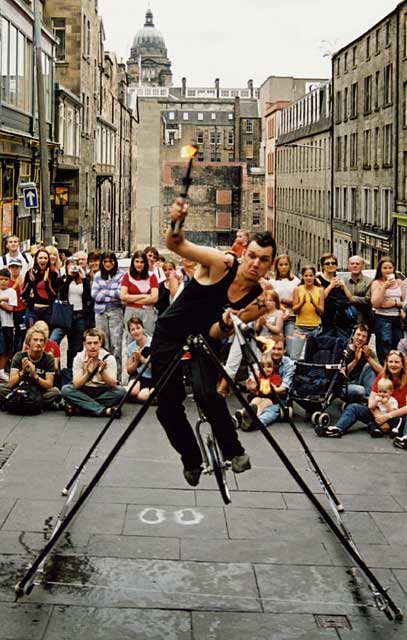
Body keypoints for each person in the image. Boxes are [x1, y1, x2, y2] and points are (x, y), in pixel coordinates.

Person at [151, 197, 276, 487]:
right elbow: (176, 245)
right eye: (253, 256)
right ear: (244, 253)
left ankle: (234, 451)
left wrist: (225, 323)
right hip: (170, 333)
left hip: (204, 339)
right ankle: (191, 459)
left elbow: (219, 333)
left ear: (270, 264)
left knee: (209, 394)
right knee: (167, 406)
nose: (255, 264)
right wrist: (177, 219)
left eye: (264, 260)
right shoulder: (222, 263)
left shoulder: (258, 297)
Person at [315, 350, 407, 439]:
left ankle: (405, 438)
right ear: (387, 363)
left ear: (402, 365)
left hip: (398, 416)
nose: (393, 365)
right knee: (353, 408)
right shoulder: (381, 377)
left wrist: (387, 417)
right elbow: (371, 401)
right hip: (379, 412)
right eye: (391, 362)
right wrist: (379, 417)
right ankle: (337, 429)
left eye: (397, 362)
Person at [61, 328, 126, 417]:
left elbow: (113, 384)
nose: (92, 346)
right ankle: (103, 410)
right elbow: (76, 385)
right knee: (66, 390)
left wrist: (102, 372)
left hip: (103, 390)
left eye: (95, 343)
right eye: (89, 343)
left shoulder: (109, 358)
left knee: (121, 392)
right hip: (85, 389)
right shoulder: (79, 358)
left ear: (100, 343)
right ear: (84, 344)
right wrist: (87, 374)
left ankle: (81, 407)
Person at [234, 336, 295, 430]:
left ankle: (255, 422)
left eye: (279, 349)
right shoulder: (262, 360)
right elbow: (253, 381)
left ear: (284, 350)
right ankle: (238, 418)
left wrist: (268, 388)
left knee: (270, 410)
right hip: (259, 395)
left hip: (275, 398)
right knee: (255, 402)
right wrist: (251, 386)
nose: (276, 352)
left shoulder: (288, 365)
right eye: (273, 348)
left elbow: (284, 388)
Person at [0, 326, 61, 410]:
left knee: (55, 392)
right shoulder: (19, 356)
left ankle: (17, 402)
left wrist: (34, 375)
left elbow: (49, 385)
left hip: (39, 391)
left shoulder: (48, 358)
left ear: (44, 343)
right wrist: (23, 372)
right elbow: (11, 383)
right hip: (20, 388)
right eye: (35, 340)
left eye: (41, 340)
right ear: (29, 342)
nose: (38, 343)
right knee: (1, 388)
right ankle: (33, 404)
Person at [50, 256, 92, 368]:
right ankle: (55, 369)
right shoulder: (63, 279)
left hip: (79, 315)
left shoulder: (84, 279)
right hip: (65, 314)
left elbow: (88, 297)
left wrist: (83, 279)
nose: (73, 267)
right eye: (70, 264)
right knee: (54, 340)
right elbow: (62, 294)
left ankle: (71, 370)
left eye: (75, 264)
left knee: (75, 346)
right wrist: (68, 277)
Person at [91, 251, 124, 381]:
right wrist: (111, 295)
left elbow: (120, 294)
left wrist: (105, 292)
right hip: (100, 313)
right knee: (103, 345)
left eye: (110, 261)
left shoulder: (121, 275)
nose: (108, 264)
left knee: (116, 346)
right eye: (105, 261)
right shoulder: (98, 275)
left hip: (115, 312)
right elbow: (95, 295)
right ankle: (102, 377)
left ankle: (117, 377)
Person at [371, 257, 405, 365]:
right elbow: (376, 303)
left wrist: (394, 303)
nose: (388, 270)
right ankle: (384, 369)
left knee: (398, 345)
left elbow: (404, 303)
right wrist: (384, 287)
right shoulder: (377, 283)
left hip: (397, 318)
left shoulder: (400, 282)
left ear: (394, 268)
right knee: (385, 344)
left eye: (390, 268)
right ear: (380, 269)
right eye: (385, 268)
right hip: (382, 318)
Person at [120, 251, 159, 338]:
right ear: (133, 262)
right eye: (137, 261)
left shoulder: (152, 276)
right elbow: (123, 296)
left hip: (148, 313)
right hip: (131, 312)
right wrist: (144, 296)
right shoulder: (127, 276)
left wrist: (131, 298)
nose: (139, 264)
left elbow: (154, 298)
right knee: (130, 338)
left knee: (147, 337)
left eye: (142, 262)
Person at [269, 255, 300, 357]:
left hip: (291, 317)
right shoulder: (272, 282)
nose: (283, 267)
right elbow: (270, 299)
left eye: (286, 264)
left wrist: (284, 300)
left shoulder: (295, 281)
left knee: (291, 347)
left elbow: (298, 301)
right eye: (281, 265)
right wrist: (280, 303)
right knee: (274, 346)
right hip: (275, 317)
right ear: (277, 266)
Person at [291, 265, 324, 360]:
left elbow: (321, 311)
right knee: (295, 356)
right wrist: (302, 302)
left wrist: (314, 303)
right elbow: (295, 310)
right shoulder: (297, 289)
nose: (309, 278)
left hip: (315, 328)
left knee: (312, 356)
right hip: (300, 327)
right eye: (306, 275)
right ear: (303, 276)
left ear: (314, 277)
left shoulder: (320, 290)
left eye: (311, 275)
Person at [343, 324, 382, 403]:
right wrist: (355, 361)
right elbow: (341, 373)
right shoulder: (345, 351)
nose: (360, 338)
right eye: (358, 335)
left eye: (364, 336)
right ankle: (366, 399)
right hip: (346, 385)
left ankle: (369, 400)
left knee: (369, 366)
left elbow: (382, 371)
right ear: (353, 336)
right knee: (360, 390)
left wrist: (368, 358)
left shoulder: (367, 351)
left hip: (360, 381)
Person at [318, 253, 354, 337]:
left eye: (333, 263)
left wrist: (343, 286)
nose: (330, 265)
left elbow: (350, 298)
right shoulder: (318, 280)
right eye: (327, 263)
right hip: (326, 318)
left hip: (341, 318)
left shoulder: (340, 279)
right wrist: (331, 286)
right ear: (323, 266)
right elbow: (320, 298)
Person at [22, 248, 59, 328]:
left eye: (45, 258)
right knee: (31, 335)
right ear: (36, 259)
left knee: (46, 337)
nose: (43, 260)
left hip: (48, 311)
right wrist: (31, 282)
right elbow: (24, 293)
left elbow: (54, 295)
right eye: (40, 258)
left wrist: (46, 281)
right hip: (32, 310)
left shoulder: (53, 274)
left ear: (48, 260)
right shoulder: (30, 273)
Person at [126, 316, 153, 402]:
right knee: (132, 390)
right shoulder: (131, 347)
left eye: (138, 328)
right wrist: (136, 361)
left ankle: (148, 394)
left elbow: (157, 367)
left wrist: (142, 359)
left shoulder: (152, 343)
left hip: (152, 376)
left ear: (143, 328)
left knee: (143, 396)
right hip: (138, 376)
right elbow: (129, 370)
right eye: (132, 329)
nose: (136, 332)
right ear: (130, 333)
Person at [343, 255, 372, 327]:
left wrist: (351, 298)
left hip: (364, 320)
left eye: (357, 264)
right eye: (352, 264)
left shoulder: (369, 281)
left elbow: (368, 300)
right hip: (345, 319)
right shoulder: (343, 281)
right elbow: (340, 299)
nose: (354, 266)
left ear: (362, 266)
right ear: (348, 266)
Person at [0, 268, 17, 381]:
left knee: (7, 349)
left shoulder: (12, 292)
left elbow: (11, 308)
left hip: (8, 324)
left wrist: (0, 303)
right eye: (1, 279)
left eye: (6, 279)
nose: (3, 281)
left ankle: (1, 371)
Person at [8, 257, 27, 353]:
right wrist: (16, 284)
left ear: (20, 268)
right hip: (9, 311)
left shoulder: (25, 281)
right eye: (12, 267)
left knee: (20, 335)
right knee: (9, 335)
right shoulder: (6, 281)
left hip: (21, 310)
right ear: (9, 268)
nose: (15, 269)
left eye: (17, 267)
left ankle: (16, 355)